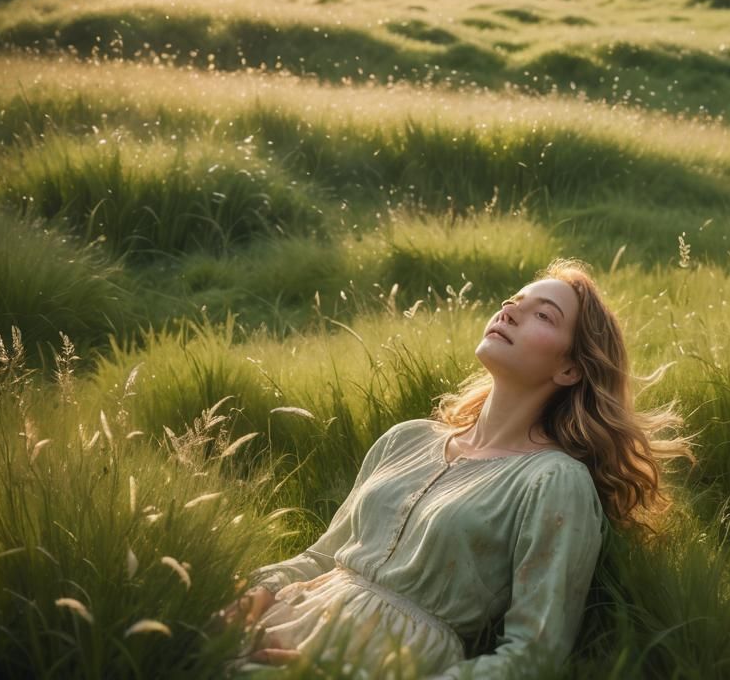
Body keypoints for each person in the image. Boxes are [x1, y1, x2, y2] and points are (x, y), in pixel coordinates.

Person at [220, 259, 687, 678]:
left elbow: (534, 655)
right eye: (512, 301)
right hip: (279, 623)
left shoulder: (553, 480)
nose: (509, 312)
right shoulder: (407, 438)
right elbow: (323, 556)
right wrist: (255, 593)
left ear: (569, 370)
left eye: (543, 315)